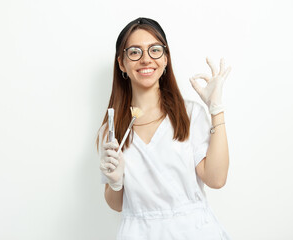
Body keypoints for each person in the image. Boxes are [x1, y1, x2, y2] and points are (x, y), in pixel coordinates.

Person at [96, 17, 232, 240]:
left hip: (194, 232)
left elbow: (216, 179)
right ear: (122, 63)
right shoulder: (111, 131)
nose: (146, 59)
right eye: (134, 52)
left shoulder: (190, 115)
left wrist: (216, 110)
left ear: (166, 58)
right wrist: (114, 181)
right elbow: (116, 204)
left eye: (155, 50)